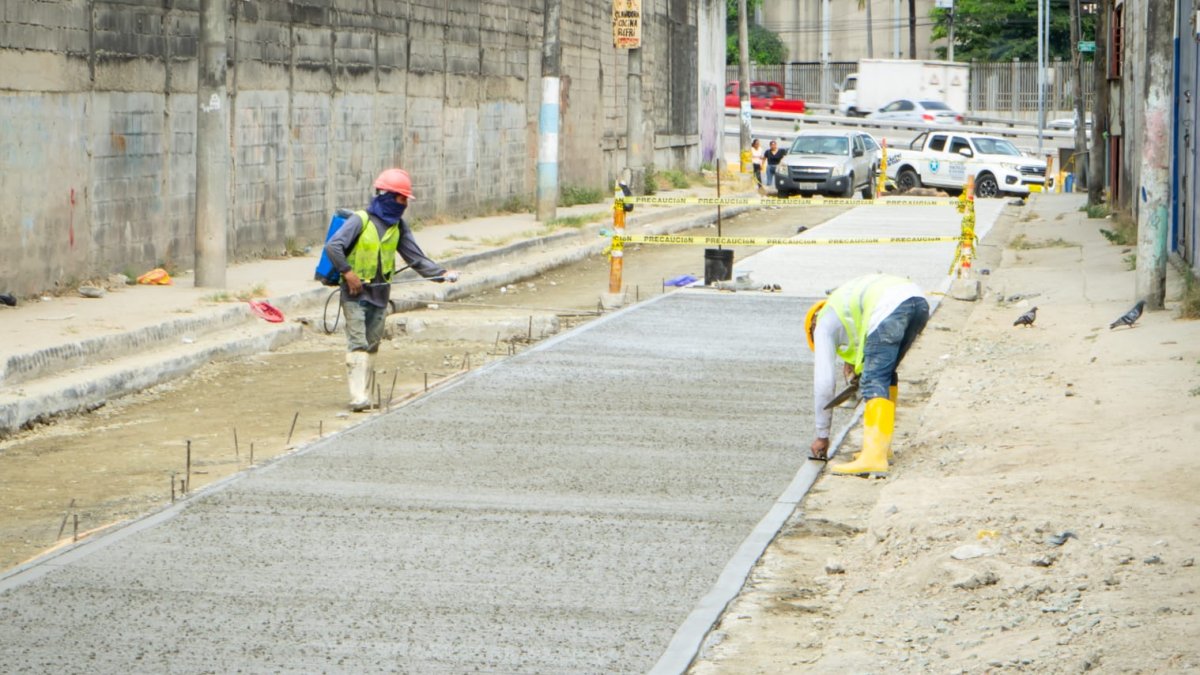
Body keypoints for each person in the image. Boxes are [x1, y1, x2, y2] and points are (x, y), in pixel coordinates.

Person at [324, 168, 460, 412]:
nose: (404, 204)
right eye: (401, 198)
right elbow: (333, 246)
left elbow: (416, 258)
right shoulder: (360, 220)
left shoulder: (398, 227)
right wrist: (348, 273)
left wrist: (440, 274)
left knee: (372, 343)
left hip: (380, 294)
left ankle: (365, 394)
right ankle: (358, 397)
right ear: (387, 196)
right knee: (357, 342)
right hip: (354, 294)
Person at [805, 273, 929, 476]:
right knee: (885, 375)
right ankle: (882, 449)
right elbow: (861, 341)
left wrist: (822, 435)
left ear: (812, 325)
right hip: (917, 302)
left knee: (874, 379)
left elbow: (824, 383)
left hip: (891, 306)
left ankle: (873, 458)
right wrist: (856, 365)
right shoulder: (845, 307)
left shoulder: (823, 323)